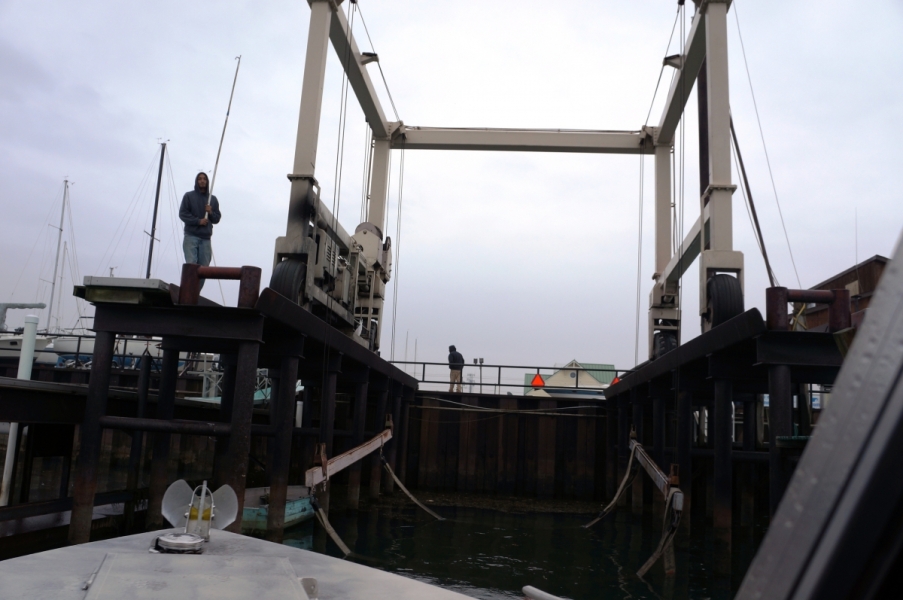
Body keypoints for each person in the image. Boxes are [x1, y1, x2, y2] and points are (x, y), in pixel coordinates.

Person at [179, 172, 221, 289]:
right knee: (191, 265)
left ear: (207, 181)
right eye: (199, 179)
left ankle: (194, 294)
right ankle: (187, 291)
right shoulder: (188, 196)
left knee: (204, 270)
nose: (202, 181)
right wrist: (198, 221)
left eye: (204, 179)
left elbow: (217, 218)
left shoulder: (212, 199)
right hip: (191, 237)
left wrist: (211, 212)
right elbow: (183, 214)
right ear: (196, 181)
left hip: (206, 239)